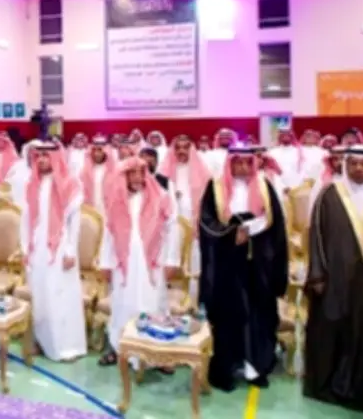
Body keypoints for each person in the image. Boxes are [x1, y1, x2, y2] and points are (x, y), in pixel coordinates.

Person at [303, 145, 363, 414]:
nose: (359, 169)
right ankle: (337, 386)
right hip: (337, 281)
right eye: (353, 164)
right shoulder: (329, 194)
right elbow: (316, 236)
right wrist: (317, 274)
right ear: (345, 165)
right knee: (338, 331)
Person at [198, 146, 288, 391]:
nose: (243, 168)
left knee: (257, 314)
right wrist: (231, 232)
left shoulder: (264, 186)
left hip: (258, 264)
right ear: (230, 163)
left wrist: (254, 230)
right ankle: (226, 368)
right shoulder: (215, 187)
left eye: (248, 163)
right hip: (226, 264)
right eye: (238, 163)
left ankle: (255, 368)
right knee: (229, 315)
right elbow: (206, 222)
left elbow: (277, 224)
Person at [99, 157, 180, 366]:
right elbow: (109, 233)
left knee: (153, 305)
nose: (136, 178)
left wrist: (172, 259)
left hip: (151, 264)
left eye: (140, 173)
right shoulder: (116, 199)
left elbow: (172, 228)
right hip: (123, 265)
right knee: (122, 305)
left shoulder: (160, 196)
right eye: (131, 173)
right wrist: (105, 262)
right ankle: (119, 349)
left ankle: (157, 357)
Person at [21, 142, 86, 361]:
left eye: (46, 156)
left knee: (61, 295)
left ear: (56, 157)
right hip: (38, 248)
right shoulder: (32, 183)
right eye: (38, 156)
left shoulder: (70, 183)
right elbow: (26, 219)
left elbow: (74, 223)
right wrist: (25, 248)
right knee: (41, 295)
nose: (41, 160)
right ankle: (43, 342)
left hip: (61, 248)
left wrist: (70, 251)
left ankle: (67, 346)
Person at [159, 135, 211, 298]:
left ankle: (193, 298)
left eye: (185, 147)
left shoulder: (202, 170)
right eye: (178, 148)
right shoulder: (164, 171)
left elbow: (207, 199)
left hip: (194, 221)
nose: (181, 151)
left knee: (193, 259)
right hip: (170, 224)